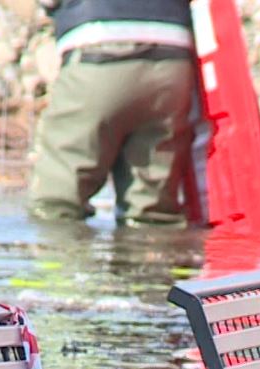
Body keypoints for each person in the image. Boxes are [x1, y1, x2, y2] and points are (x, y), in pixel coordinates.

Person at [29, 0, 196, 226]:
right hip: (173, 61)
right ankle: (155, 254)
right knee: (152, 212)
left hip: (97, 50)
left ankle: (61, 257)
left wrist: (41, 28)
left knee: (56, 204)